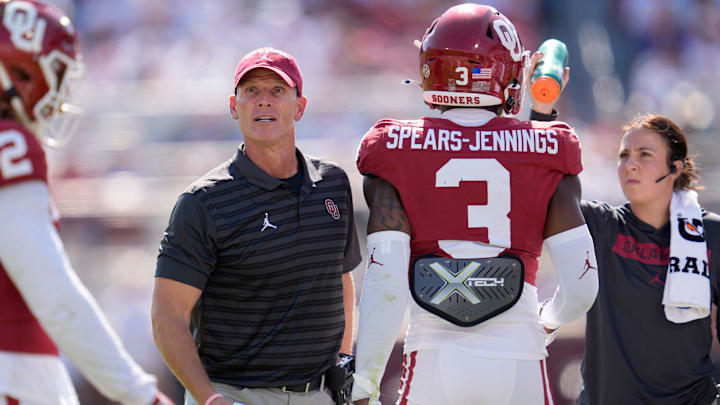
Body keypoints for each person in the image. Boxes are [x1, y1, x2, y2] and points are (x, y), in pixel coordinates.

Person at [351, 4, 598, 405]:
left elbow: (386, 287)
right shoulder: (549, 148)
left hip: (432, 355)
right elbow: (582, 288)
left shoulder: (393, 147)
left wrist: (364, 386)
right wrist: (544, 322)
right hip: (520, 357)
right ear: (505, 71)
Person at [151, 47, 362, 405]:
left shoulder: (334, 184)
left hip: (320, 395)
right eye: (251, 92)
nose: (263, 102)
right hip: (235, 395)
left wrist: (343, 365)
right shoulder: (203, 202)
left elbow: (339, 279)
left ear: (300, 106)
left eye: (277, 91)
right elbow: (167, 317)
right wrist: (209, 399)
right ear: (235, 107)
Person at [0, 1, 173, 404]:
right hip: (16, 371)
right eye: (53, 73)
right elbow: (55, 297)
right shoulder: (11, 143)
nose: (58, 94)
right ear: (19, 72)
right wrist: (139, 393)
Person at [574, 114, 720, 405]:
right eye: (624, 155)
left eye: (645, 154)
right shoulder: (601, 225)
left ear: (675, 167)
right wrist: (543, 110)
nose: (630, 164)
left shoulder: (712, 234)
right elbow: (538, 192)